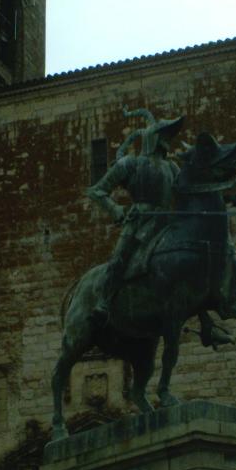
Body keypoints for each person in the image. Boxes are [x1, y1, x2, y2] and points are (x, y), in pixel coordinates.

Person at [87, 107, 184, 322]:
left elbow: (185, 194)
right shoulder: (130, 164)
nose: (167, 140)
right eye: (164, 135)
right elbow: (96, 191)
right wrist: (116, 209)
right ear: (153, 137)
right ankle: (104, 300)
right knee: (120, 258)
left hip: (167, 223)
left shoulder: (172, 168)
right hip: (139, 221)